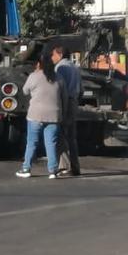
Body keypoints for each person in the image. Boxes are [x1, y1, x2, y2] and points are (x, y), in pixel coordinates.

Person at [16, 53, 63, 179]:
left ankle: (26, 168)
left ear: (38, 64)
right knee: (51, 143)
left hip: (35, 115)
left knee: (32, 143)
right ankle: (53, 170)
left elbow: (25, 91)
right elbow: (64, 94)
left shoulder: (34, 76)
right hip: (54, 116)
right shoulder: (58, 77)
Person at [51, 45, 81, 176]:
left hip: (65, 102)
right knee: (72, 137)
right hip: (74, 100)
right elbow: (81, 88)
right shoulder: (75, 67)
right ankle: (75, 166)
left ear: (60, 54)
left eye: (53, 55)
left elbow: (59, 87)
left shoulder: (60, 67)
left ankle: (65, 166)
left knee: (61, 135)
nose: (52, 58)